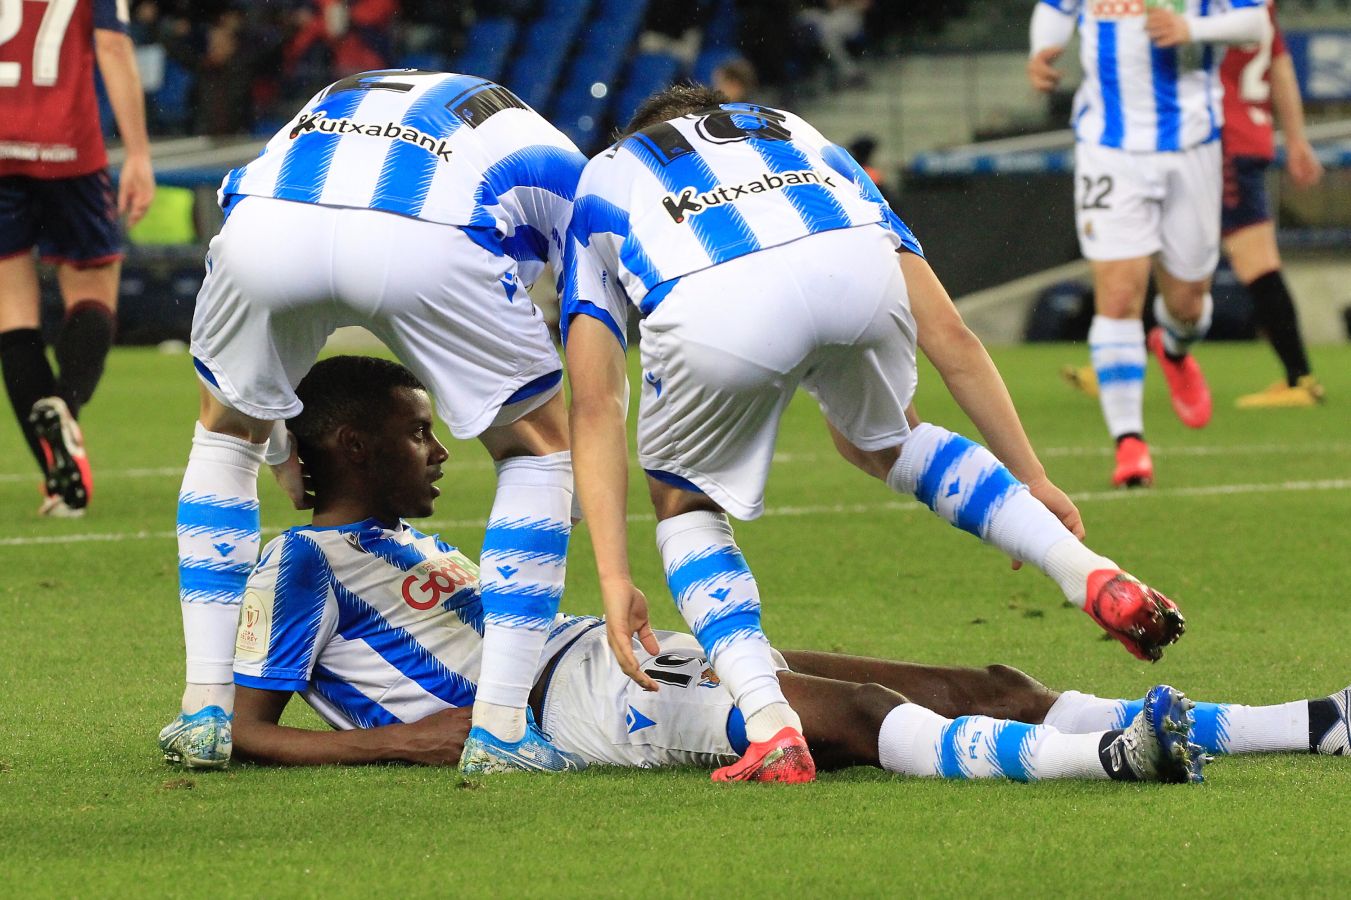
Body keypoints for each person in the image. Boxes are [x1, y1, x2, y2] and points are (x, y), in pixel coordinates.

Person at [561, 85, 1185, 784]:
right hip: (853, 269)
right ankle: (1087, 572)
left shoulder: (608, 172)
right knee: (888, 441)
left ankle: (770, 726)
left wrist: (613, 575)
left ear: (639, 134)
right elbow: (950, 335)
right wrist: (1031, 478)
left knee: (686, 503)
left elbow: (593, 403)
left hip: (713, 298)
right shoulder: (793, 131)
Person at [226, 355, 1235, 785]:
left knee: (991, 686)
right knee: (859, 714)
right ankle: (1108, 758)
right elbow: (242, 734)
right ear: (352, 446)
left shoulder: (409, 546)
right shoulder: (299, 564)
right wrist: (395, 746)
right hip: (572, 699)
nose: (437, 452)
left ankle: (1289, 728)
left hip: (615, 654)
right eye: (414, 435)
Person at [157, 70, 589, 773]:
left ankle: (204, 708)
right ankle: (503, 728)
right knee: (536, 452)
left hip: (266, 221)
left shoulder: (341, 94)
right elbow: (591, 341)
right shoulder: (575, 173)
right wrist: (569, 487)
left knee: (223, 433)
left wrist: (277, 453)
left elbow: (243, 196)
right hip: (426, 233)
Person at [1028, 0, 1267, 487]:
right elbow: (1055, 7)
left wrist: (1190, 27)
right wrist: (1042, 50)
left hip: (1192, 145)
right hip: (1107, 149)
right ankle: (1129, 443)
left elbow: (1256, 22)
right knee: (1117, 295)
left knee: (1187, 303)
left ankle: (1174, 349)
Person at [0, 0, 156, 517]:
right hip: (68, 146)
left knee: (12, 313)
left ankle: (59, 485)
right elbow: (112, 45)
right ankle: (64, 406)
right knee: (93, 293)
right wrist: (138, 154)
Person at [1221, 0, 1325, 409]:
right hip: (1252, 135)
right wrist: (1296, 139)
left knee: (1256, 261)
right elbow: (1280, 68)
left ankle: (1301, 376)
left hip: (1223, 140)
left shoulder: (1214, 10)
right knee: (1167, 251)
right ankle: (1116, 358)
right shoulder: (1258, 7)